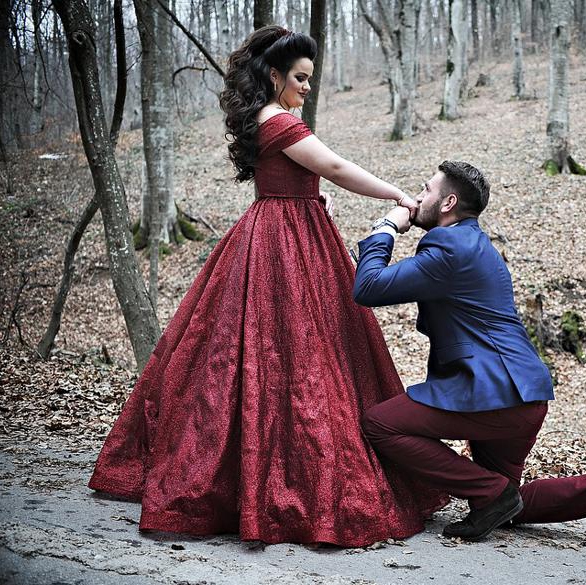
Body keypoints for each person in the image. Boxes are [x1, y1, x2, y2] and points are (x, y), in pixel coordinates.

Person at [88, 26, 447, 547]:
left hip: (285, 230)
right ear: (274, 75)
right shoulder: (277, 120)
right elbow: (335, 167)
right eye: (299, 78)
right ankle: (279, 485)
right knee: (292, 352)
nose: (307, 87)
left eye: (310, 79)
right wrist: (394, 193)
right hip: (284, 237)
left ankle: (246, 479)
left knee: (285, 352)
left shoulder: (273, 116)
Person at [353, 161, 586, 546]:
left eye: (425, 190)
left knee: (381, 423)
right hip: (523, 395)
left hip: (493, 392)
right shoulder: (474, 243)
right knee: (509, 502)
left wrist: (387, 226)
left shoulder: (449, 246)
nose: (416, 198)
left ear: (448, 202)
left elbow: (370, 288)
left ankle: (489, 492)